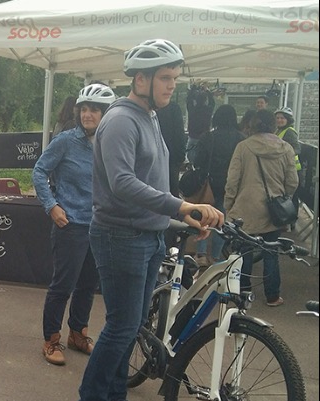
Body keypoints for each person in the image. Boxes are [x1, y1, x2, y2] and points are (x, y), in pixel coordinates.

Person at [78, 39, 223, 401]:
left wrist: (182, 217)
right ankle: (92, 395)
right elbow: (123, 183)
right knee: (121, 326)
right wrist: (181, 206)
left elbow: (152, 180)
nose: (172, 85)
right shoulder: (121, 120)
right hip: (121, 236)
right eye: (165, 78)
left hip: (147, 235)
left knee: (131, 327)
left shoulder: (149, 116)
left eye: (174, 77)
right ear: (141, 80)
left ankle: (114, 394)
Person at [33, 83, 115, 366]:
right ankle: (51, 339)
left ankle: (78, 334)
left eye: (95, 110)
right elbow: (39, 171)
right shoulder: (66, 141)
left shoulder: (110, 143)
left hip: (99, 225)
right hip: (71, 224)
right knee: (63, 285)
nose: (87, 115)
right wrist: (51, 205)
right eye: (84, 109)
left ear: (105, 113)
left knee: (88, 285)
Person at [224, 109, 298, 307]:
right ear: (273, 125)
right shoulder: (286, 148)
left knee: (244, 252)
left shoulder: (243, 147)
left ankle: (243, 293)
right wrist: (283, 197)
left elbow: (232, 180)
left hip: (245, 208)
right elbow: (292, 181)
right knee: (271, 252)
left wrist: (229, 204)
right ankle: (272, 296)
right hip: (274, 210)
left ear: (253, 125)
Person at [192, 104, 245, 267]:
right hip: (230, 185)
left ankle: (201, 254)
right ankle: (215, 256)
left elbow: (197, 160)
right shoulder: (241, 139)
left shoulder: (208, 137)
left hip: (209, 184)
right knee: (222, 221)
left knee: (204, 218)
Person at [273, 107, 303, 210]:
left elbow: (297, 149)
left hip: (292, 169)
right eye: (277, 118)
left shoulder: (289, 132)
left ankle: (292, 217)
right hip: (283, 168)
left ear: (288, 120)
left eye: (282, 118)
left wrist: (283, 154)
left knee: (292, 197)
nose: (279, 120)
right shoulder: (278, 131)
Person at [156, 101, 186, 195]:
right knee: (172, 189)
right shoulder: (174, 108)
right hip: (172, 157)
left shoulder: (147, 107)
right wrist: (181, 156)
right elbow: (179, 134)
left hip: (153, 157)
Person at [186, 80, 214, 164]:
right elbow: (212, 102)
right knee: (204, 160)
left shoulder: (192, 110)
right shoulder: (208, 111)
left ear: (196, 100)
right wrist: (207, 91)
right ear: (205, 100)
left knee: (190, 158)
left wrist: (193, 89)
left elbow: (188, 100)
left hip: (192, 136)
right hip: (204, 137)